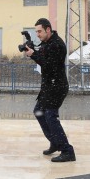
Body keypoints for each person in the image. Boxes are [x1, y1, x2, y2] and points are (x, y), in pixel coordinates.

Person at [24, 18, 76, 163]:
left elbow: (48, 65)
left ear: (48, 30)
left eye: (39, 31)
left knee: (50, 116)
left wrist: (33, 55)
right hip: (49, 86)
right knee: (39, 112)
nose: (38, 34)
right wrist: (32, 49)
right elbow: (42, 56)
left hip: (56, 86)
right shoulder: (48, 43)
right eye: (36, 32)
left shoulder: (57, 44)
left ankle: (67, 150)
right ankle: (55, 141)